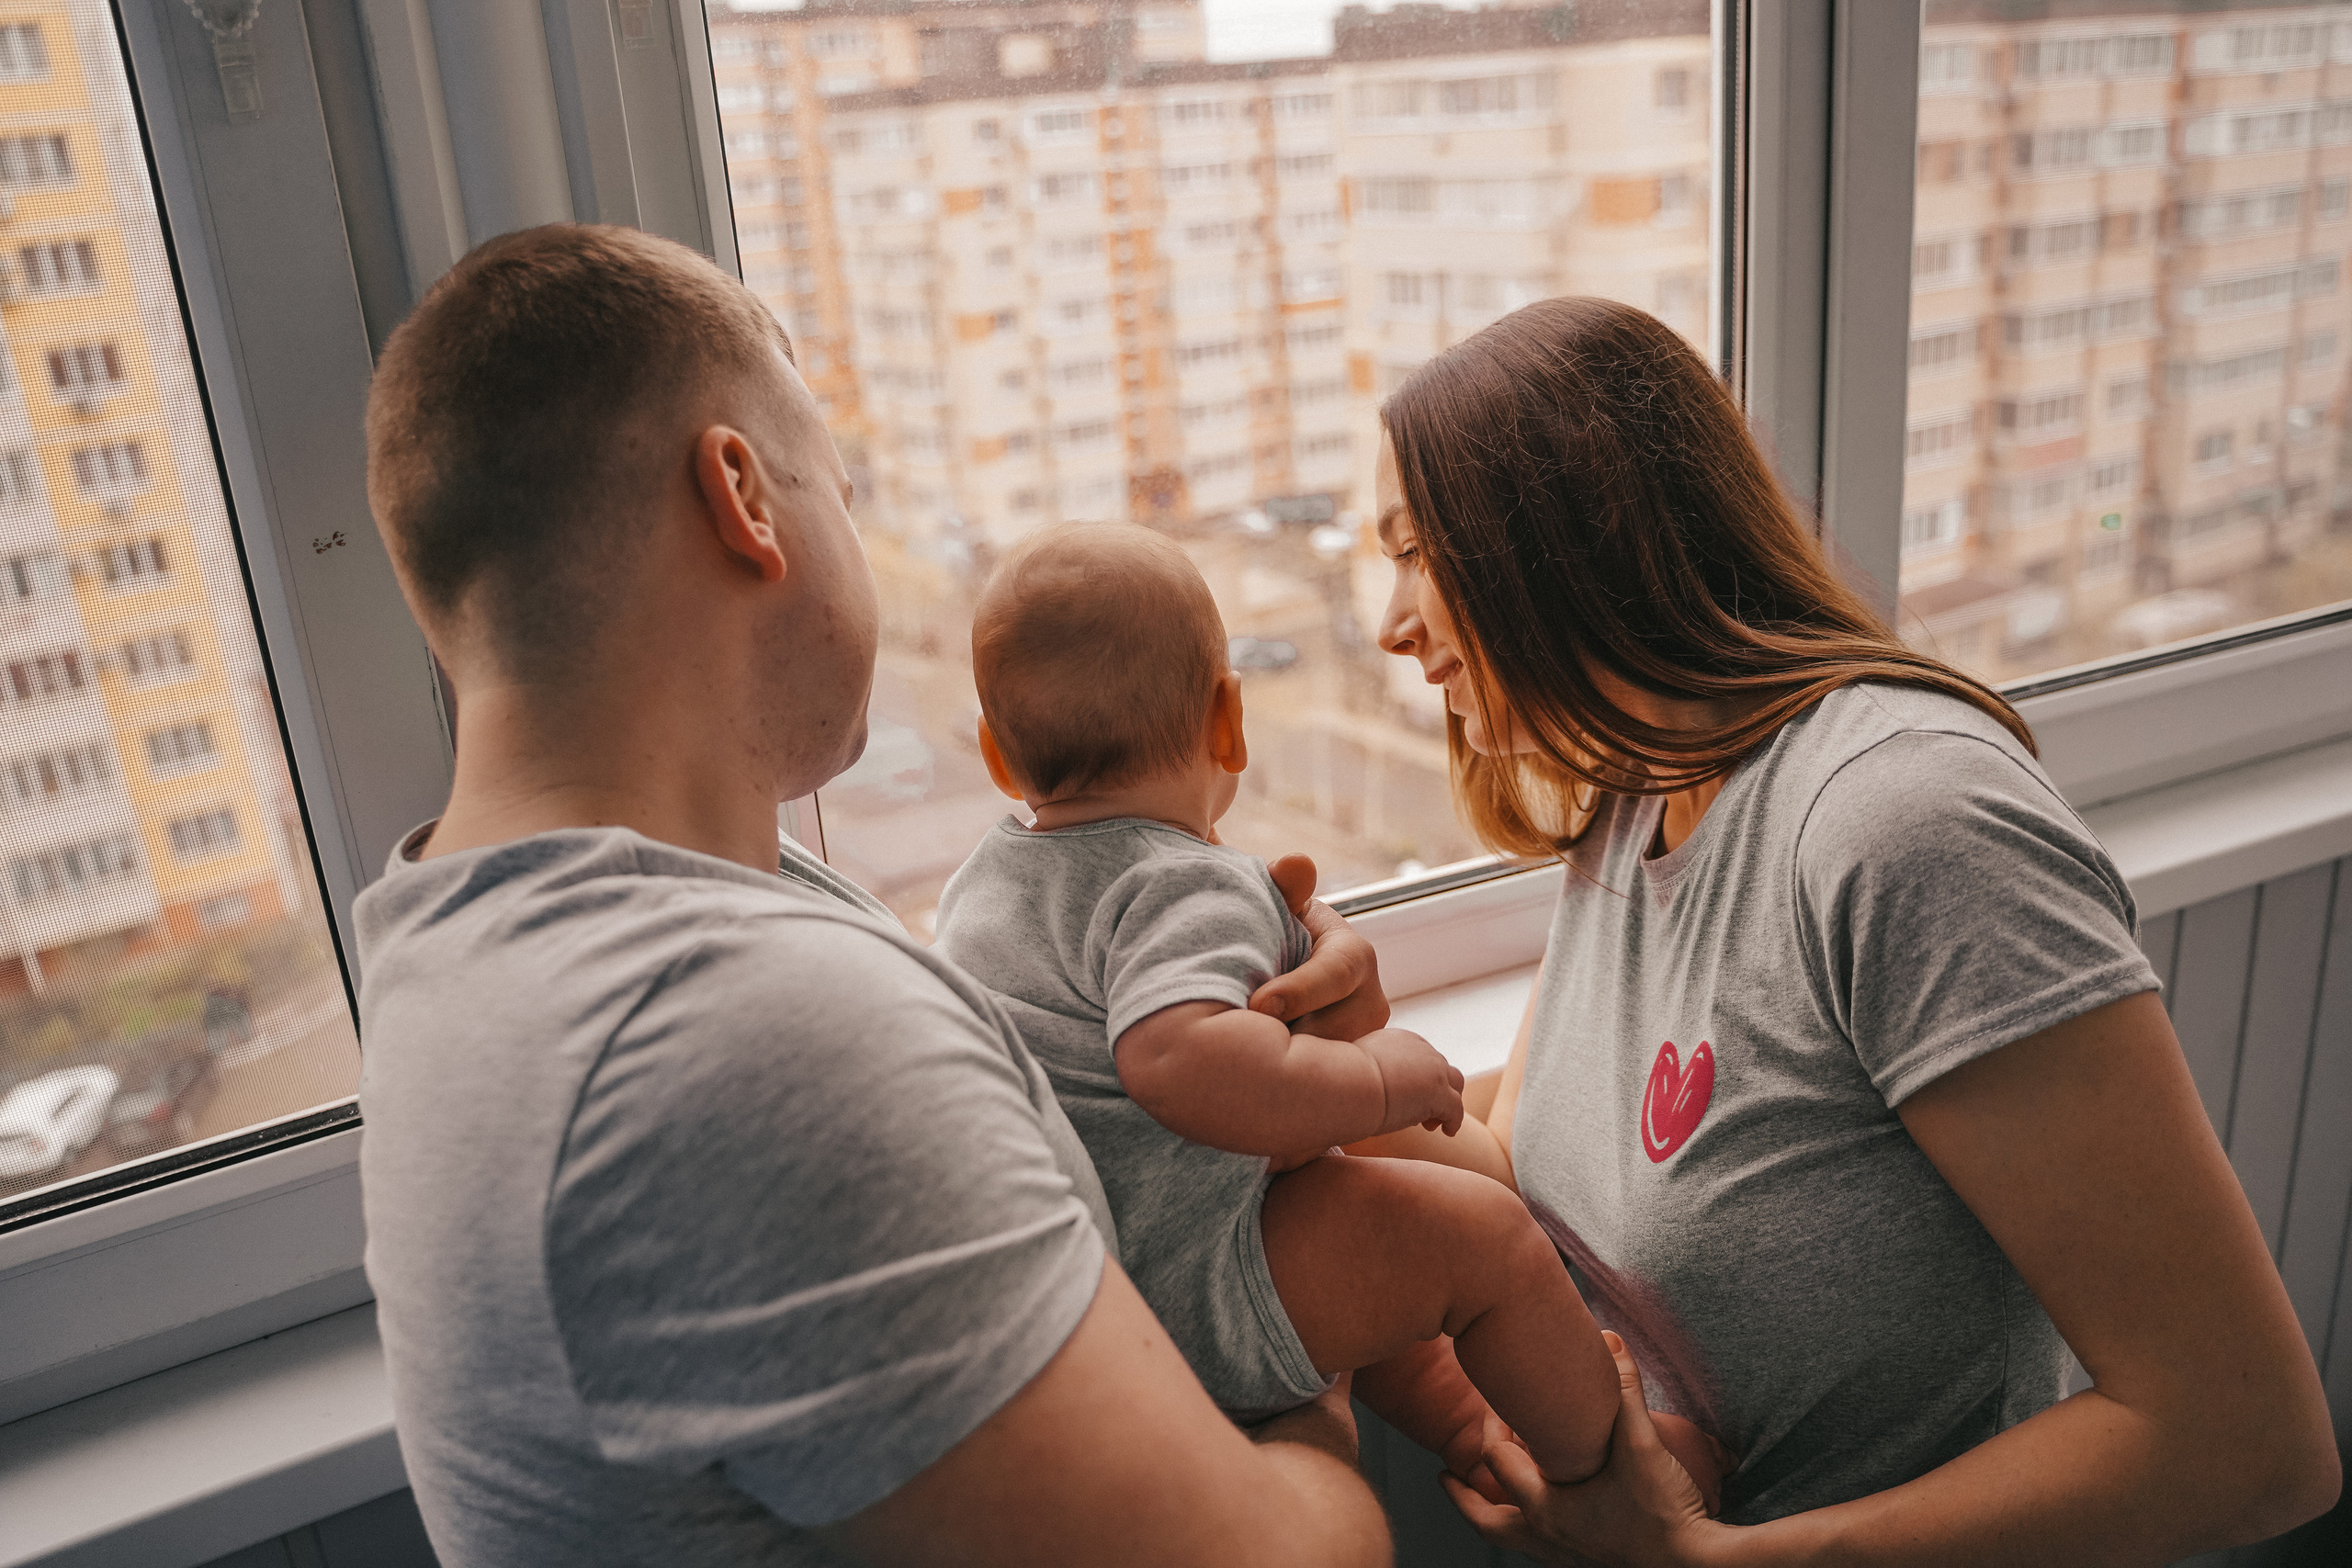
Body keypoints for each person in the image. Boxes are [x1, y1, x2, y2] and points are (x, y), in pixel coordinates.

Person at [353, 223, 1395, 1568]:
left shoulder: (480, 930)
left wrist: (1264, 1020)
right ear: (743, 490)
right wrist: (1311, 1364)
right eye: (839, 486)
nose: (855, 525)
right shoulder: (734, 1034)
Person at [1365, 296, 2340, 1563]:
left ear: (1562, 540)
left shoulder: (1907, 823)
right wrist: (1310, 1086)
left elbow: (2247, 1440)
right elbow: (1520, 1154)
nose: (1390, 620)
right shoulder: (1636, 792)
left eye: (1415, 549)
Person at [935, 524, 1728, 1504]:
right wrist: (1381, 1080)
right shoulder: (1187, 886)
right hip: (1196, 1285)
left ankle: (1475, 1429)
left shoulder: (977, 889)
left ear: (996, 756)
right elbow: (1175, 1061)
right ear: (1228, 722)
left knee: (1369, 1234)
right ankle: (1616, 1471)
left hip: (1090, 1290)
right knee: (1478, 1239)